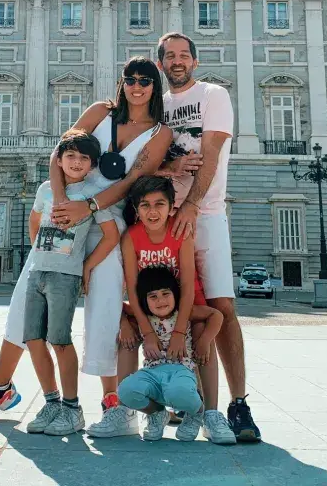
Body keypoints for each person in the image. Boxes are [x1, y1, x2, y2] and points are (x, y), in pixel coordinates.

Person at [0, 57, 172, 427]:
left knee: (104, 310)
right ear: (122, 82)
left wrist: (88, 206)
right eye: (130, 79)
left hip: (107, 225)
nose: (137, 86)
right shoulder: (99, 111)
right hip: (63, 221)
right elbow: (58, 153)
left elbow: (131, 182)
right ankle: (0, 388)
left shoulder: (160, 134)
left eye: (145, 80)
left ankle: (113, 402)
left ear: (155, 86)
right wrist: (62, 205)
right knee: (23, 305)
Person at [156, 31, 261, 442]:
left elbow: (213, 152)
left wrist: (193, 204)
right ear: (161, 63)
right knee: (173, 307)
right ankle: (188, 396)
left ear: (194, 62)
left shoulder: (213, 95)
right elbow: (147, 161)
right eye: (170, 56)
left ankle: (238, 404)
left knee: (221, 306)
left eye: (184, 55)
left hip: (206, 213)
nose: (177, 61)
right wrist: (172, 165)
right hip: (161, 218)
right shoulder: (158, 106)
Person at [107, 175, 235, 443]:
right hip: (150, 303)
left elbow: (188, 284)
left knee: (203, 337)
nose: (152, 211)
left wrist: (179, 332)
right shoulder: (131, 237)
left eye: (159, 204)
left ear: (171, 205)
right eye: (144, 205)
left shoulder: (180, 230)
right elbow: (131, 286)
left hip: (185, 302)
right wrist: (144, 329)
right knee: (127, 335)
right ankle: (128, 410)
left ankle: (210, 412)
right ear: (136, 208)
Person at [24, 130, 120, 436]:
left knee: (60, 341)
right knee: (32, 339)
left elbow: (112, 235)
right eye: (70, 156)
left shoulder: (91, 197)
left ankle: (71, 407)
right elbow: (34, 219)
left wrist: (87, 266)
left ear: (92, 164)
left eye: (83, 158)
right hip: (38, 272)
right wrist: (37, 252)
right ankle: (51, 402)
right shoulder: (45, 190)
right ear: (61, 160)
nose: (76, 162)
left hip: (66, 277)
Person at [117, 267, 225, 442]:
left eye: (166, 294)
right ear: (144, 301)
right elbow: (118, 305)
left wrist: (205, 340)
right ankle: (157, 414)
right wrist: (124, 325)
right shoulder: (143, 315)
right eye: (153, 297)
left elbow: (216, 314)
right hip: (152, 373)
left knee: (178, 391)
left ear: (175, 294)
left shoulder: (184, 312)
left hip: (181, 371)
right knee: (125, 390)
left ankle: (196, 413)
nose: (160, 301)